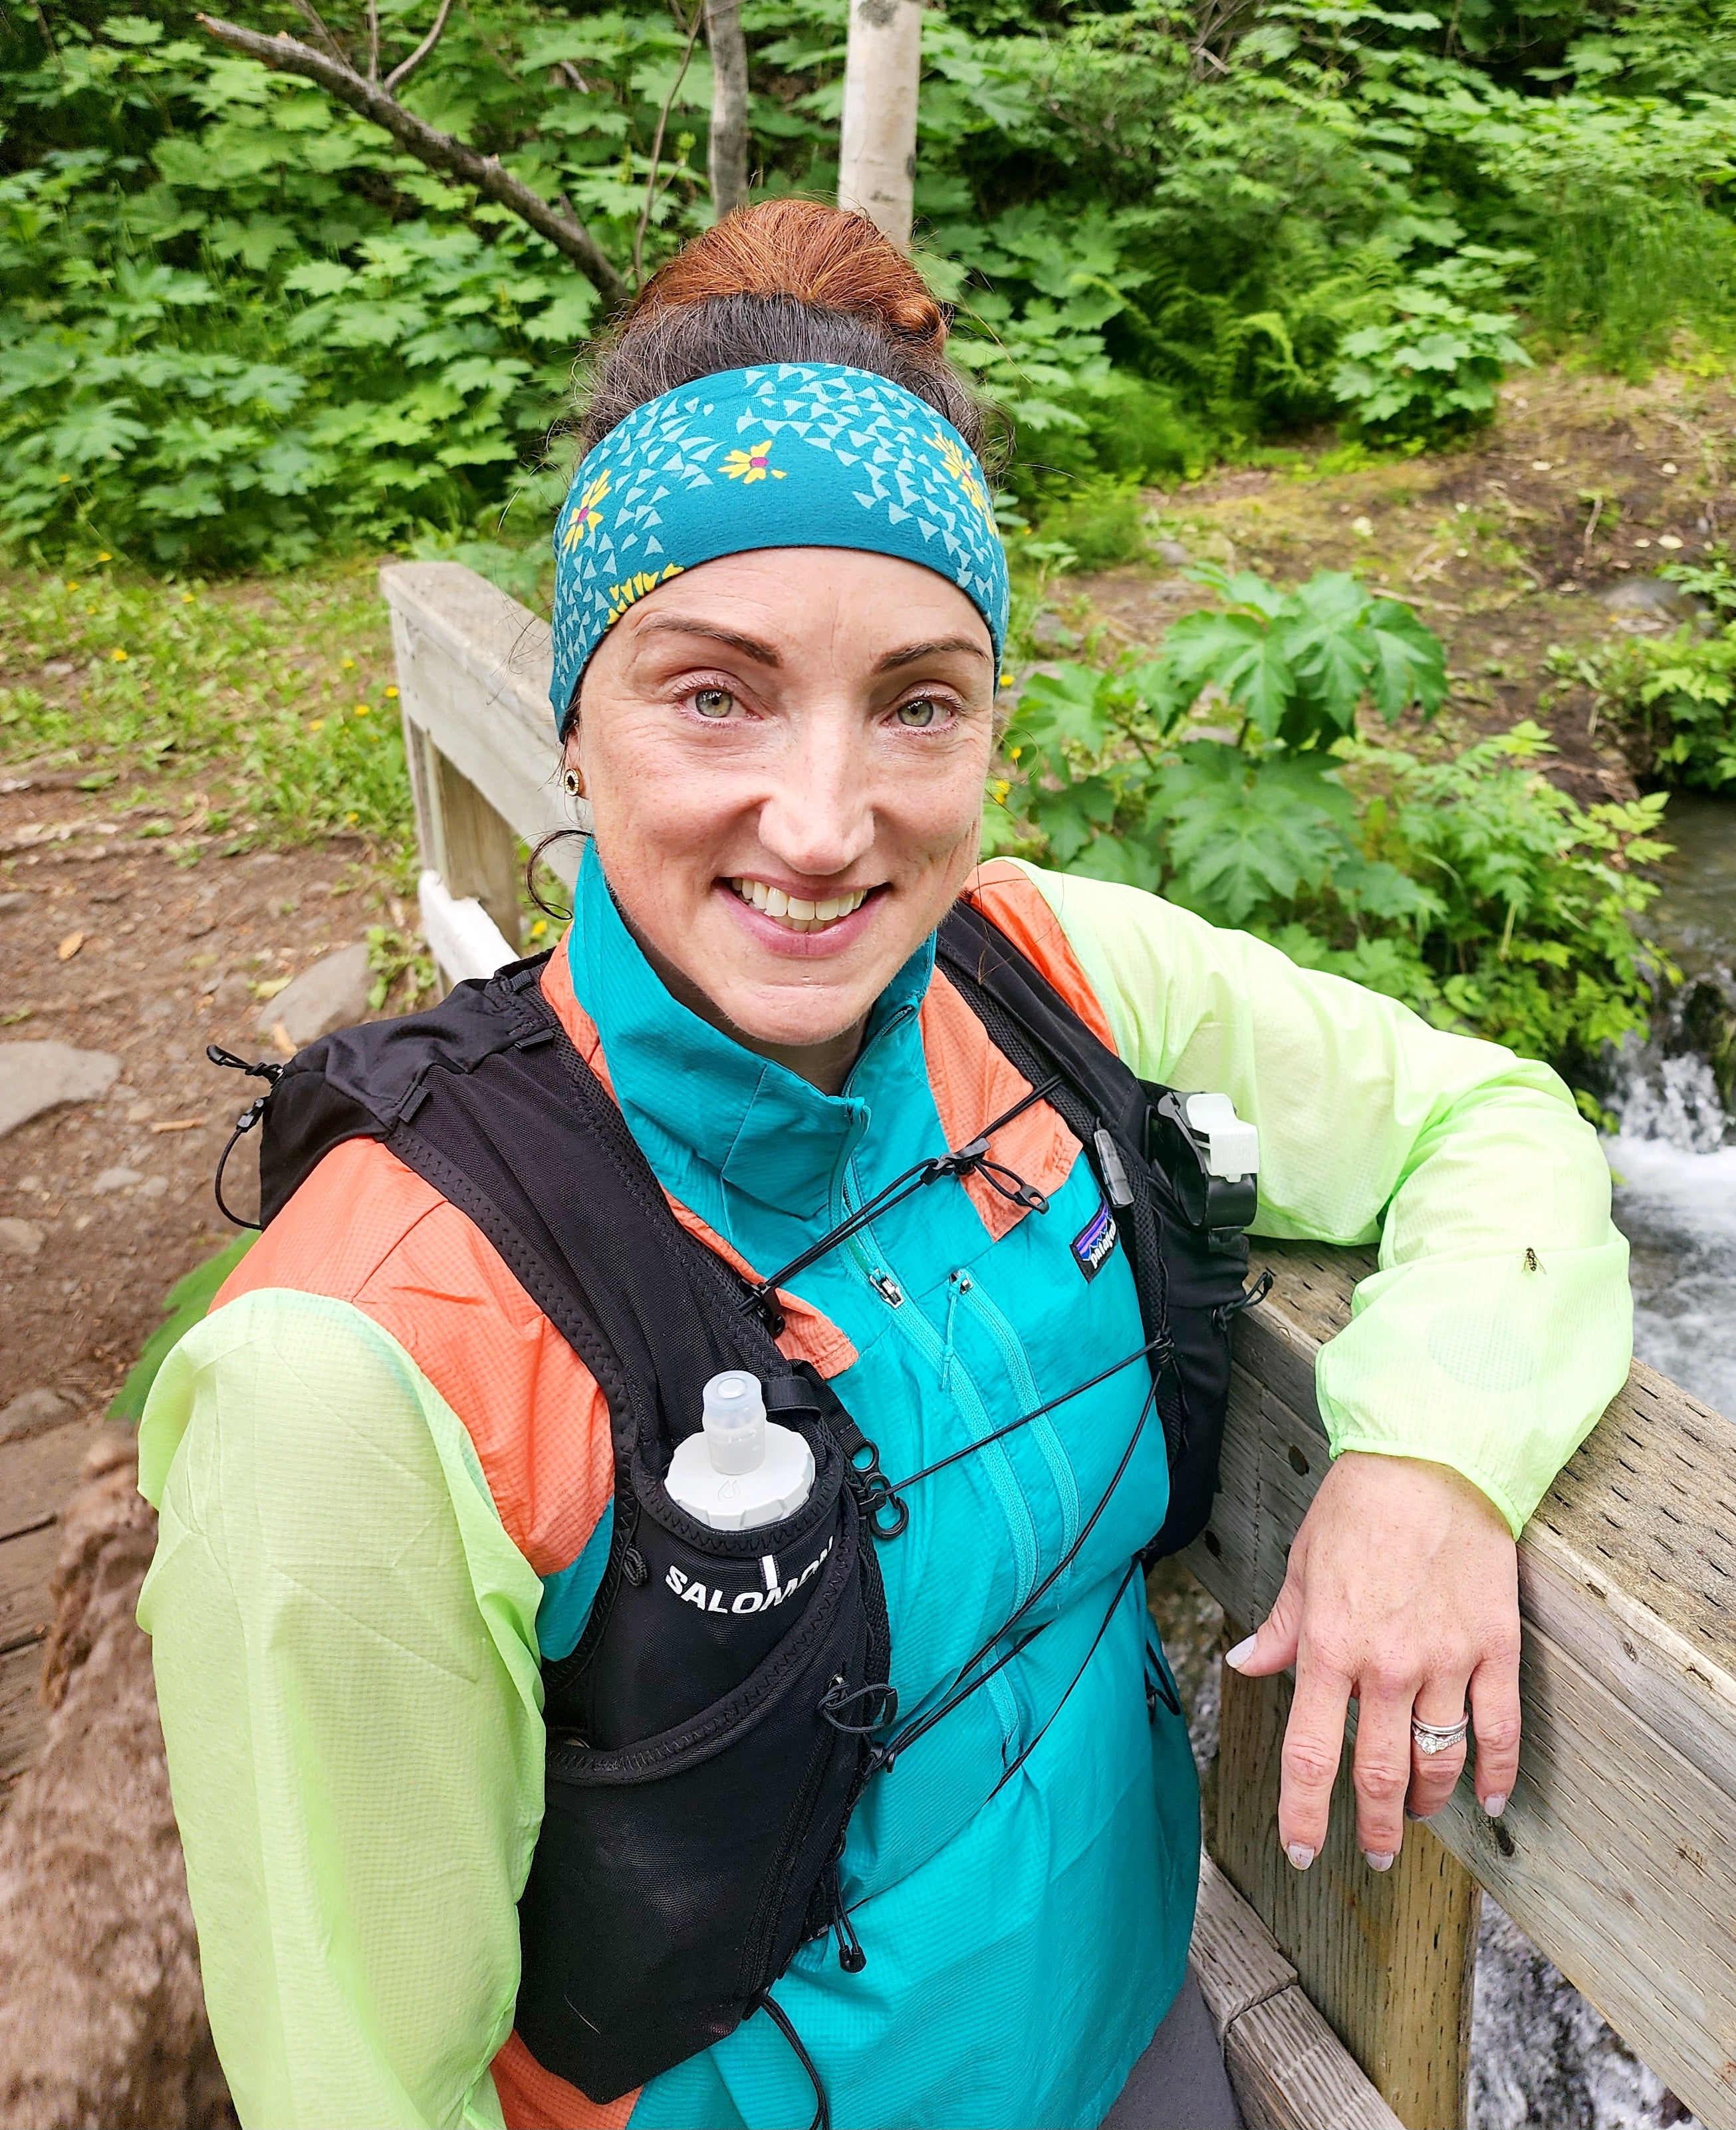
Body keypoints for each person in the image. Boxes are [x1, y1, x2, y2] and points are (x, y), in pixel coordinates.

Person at [137, 200, 1632, 2130]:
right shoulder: (357, 1357)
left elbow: (1485, 1119)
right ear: (572, 728)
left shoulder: (1046, 979)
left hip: (1136, 2047)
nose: (827, 820)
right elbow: (354, 2078)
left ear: (989, 722)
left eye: (916, 699)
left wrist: (1426, 1454)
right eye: (714, 692)